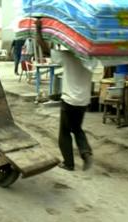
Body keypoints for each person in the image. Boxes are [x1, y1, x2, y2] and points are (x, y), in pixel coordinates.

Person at [35, 19, 93, 171]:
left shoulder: (67, 56)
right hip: (83, 102)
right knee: (77, 128)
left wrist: (39, 31)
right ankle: (86, 153)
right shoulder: (90, 59)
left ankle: (69, 163)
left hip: (69, 101)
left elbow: (46, 51)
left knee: (65, 133)